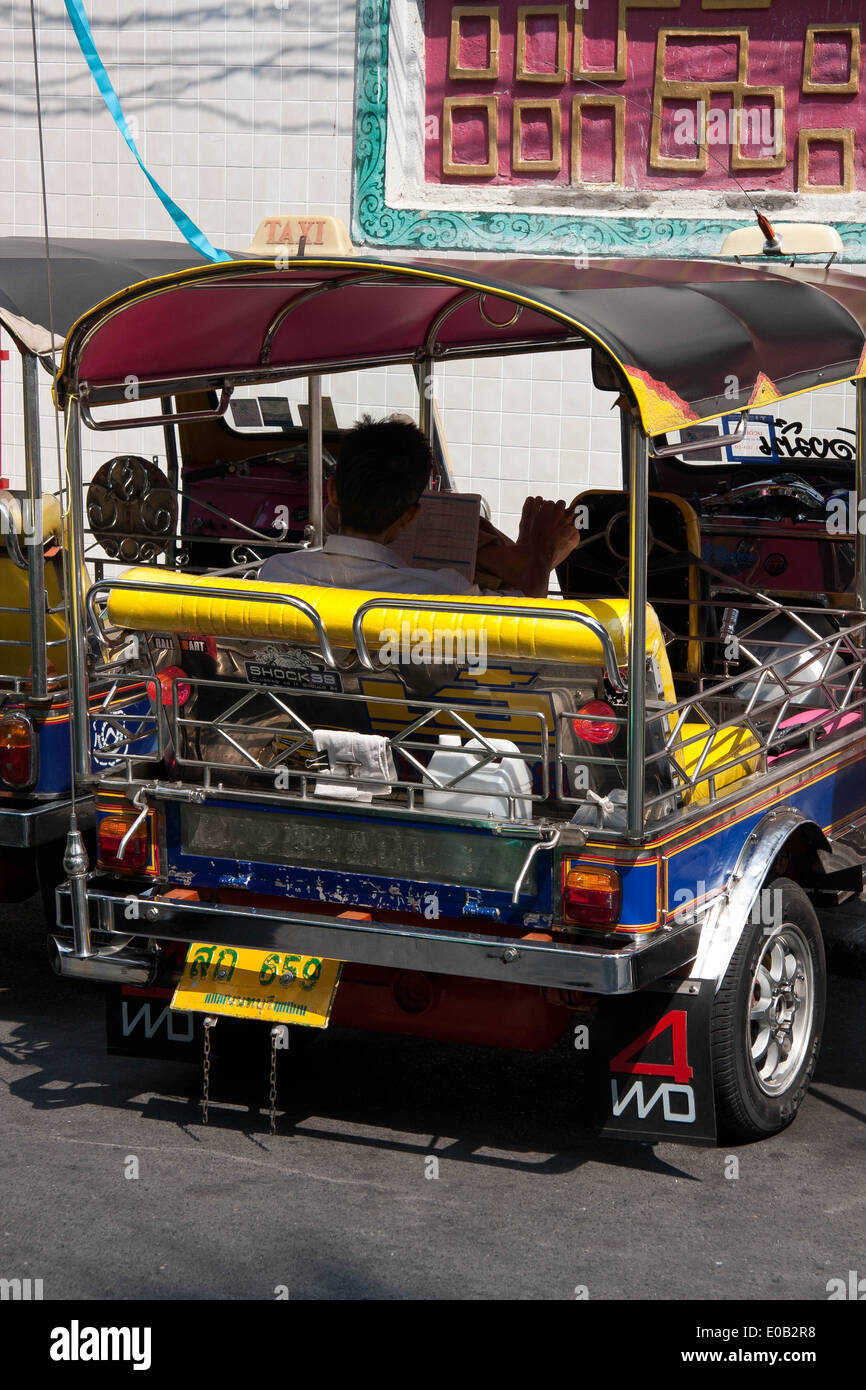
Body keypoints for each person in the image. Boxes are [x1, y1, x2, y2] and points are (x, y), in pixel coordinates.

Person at [259, 414, 580, 596]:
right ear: (411, 516)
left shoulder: (277, 572)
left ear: (332, 492)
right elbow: (523, 624)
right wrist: (541, 554)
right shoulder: (441, 591)